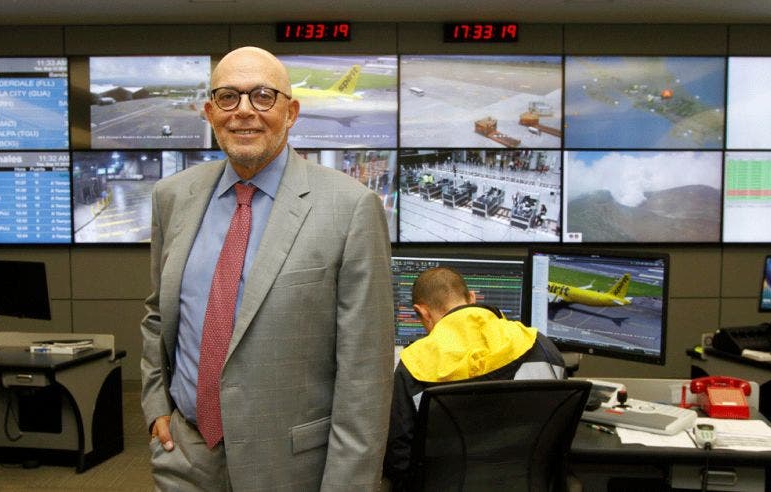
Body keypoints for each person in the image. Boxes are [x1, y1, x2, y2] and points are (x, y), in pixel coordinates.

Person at [141, 46, 394, 491]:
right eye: (228, 98)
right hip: (183, 458)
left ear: (290, 111)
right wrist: (156, 405)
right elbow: (158, 316)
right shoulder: (173, 197)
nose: (244, 113)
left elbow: (365, 374)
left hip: (292, 469)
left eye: (262, 96)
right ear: (209, 111)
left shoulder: (351, 207)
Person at [383, 267, 566, 487]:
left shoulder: (413, 365)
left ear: (422, 312)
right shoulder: (539, 344)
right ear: (472, 298)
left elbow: (399, 460)